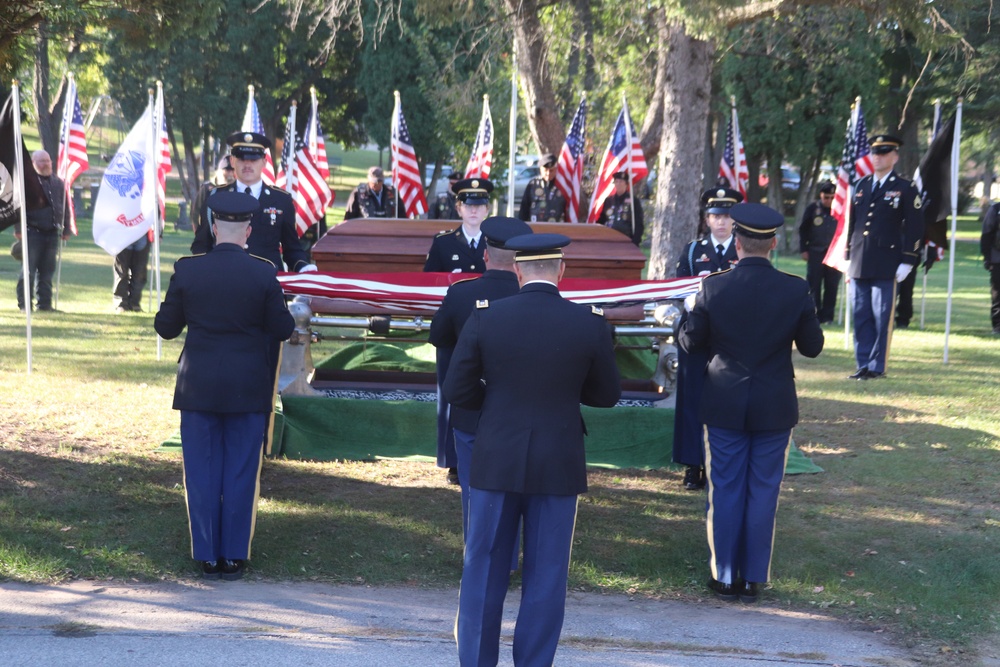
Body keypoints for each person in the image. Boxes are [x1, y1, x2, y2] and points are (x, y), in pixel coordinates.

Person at [444, 233, 621, 667]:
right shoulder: (589, 321)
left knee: (483, 570)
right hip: (557, 459)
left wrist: (500, 403)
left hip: (496, 455)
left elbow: (456, 389)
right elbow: (606, 395)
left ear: (518, 271)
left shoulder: (487, 316)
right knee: (546, 576)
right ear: (561, 272)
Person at [679, 202, 824, 604]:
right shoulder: (796, 288)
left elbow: (691, 344)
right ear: (773, 244)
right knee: (763, 491)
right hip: (773, 404)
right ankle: (754, 578)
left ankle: (725, 576)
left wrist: (690, 313)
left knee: (724, 489)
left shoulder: (714, 286)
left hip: (724, 400)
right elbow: (813, 347)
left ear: (737, 244)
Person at [154, 191, 295, 581]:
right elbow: (282, 328)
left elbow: (165, 328)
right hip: (248, 386)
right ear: (248, 231)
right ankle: (233, 555)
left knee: (200, 471)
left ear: (214, 229)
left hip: (198, 385)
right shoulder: (264, 272)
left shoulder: (187, 270)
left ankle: (205, 554)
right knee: (240, 471)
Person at [429, 215, 532, 539]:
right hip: (520, 412)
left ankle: (477, 552)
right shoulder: (532, 298)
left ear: (485, 255)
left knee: (474, 489)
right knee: (515, 487)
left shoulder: (461, 295)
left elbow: (438, 336)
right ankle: (509, 556)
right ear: (520, 260)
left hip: (472, 411)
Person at [671, 187, 743, 491]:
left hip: (730, 336)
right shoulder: (692, 250)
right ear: (707, 218)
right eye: (716, 216)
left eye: (727, 216)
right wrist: (692, 303)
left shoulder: (742, 250)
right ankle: (692, 465)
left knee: (728, 399)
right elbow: (680, 286)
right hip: (697, 333)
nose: (721, 222)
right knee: (692, 400)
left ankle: (722, 464)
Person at [846, 134, 924, 380]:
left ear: (895, 156)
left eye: (884, 152)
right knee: (861, 314)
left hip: (887, 261)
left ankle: (877, 366)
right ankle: (863, 364)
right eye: (875, 152)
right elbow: (853, 223)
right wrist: (848, 253)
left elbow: (915, 226)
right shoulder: (861, 185)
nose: (878, 157)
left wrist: (908, 259)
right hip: (860, 259)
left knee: (881, 315)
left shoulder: (905, 187)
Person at [192, 132, 314, 273]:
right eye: (241, 159)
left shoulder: (281, 200)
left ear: (264, 162)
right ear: (232, 161)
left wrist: (304, 267)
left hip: (268, 282)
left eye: (253, 159)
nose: (247, 164)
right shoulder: (216, 197)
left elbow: (291, 249)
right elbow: (201, 245)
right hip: (226, 278)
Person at [15, 150, 69, 312]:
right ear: (33, 163)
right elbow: (17, 207)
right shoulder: (27, 183)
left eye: (48, 161)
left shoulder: (58, 183)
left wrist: (66, 228)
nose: (46, 164)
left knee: (47, 272)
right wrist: (18, 229)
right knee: (29, 271)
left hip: (52, 233)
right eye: (41, 161)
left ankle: (45, 304)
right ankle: (24, 304)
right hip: (32, 232)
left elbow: (64, 207)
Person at [423, 178, 492, 274]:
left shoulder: (494, 243)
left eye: (478, 206)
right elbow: (429, 280)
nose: (473, 211)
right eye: (468, 206)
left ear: (487, 210)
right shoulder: (443, 242)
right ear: (459, 210)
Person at [798, 181, 841, 323]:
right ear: (820, 196)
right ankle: (814, 314)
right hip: (815, 251)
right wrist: (804, 249)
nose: (829, 201)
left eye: (832, 197)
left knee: (832, 285)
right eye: (826, 197)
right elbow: (803, 229)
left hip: (834, 253)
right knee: (814, 284)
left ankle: (828, 316)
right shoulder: (812, 209)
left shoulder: (840, 209)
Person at [596, 170, 644, 245]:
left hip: (626, 239)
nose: (618, 184)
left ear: (626, 184)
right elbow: (603, 219)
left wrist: (635, 242)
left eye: (621, 182)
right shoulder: (609, 200)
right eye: (617, 182)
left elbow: (638, 223)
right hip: (609, 239)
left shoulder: (633, 201)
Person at [190, 155, 235, 234]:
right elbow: (196, 213)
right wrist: (198, 235)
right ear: (219, 171)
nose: (230, 173)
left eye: (233, 170)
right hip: (209, 234)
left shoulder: (238, 189)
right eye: (227, 170)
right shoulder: (207, 188)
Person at [518, 153, 567, 222]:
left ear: (556, 169)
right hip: (536, 228)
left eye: (551, 170)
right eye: (545, 170)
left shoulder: (562, 185)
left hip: (557, 228)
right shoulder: (533, 185)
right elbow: (524, 209)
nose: (548, 173)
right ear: (540, 169)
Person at [113, 231, 151, 312]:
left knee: (140, 273)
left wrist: (159, 234)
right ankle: (121, 304)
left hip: (142, 234)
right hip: (122, 233)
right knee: (121, 272)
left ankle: (134, 303)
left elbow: (156, 218)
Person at [981, 200, 1000, 334]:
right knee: (997, 294)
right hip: (997, 259)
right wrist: (987, 258)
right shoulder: (995, 210)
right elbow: (986, 234)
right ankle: (998, 326)